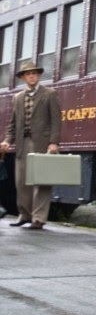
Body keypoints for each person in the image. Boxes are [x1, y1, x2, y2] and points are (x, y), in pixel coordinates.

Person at [1, 61, 61, 229]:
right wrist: (7, 140)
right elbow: (12, 124)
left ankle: (38, 219)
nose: (32, 76)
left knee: (42, 181)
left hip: (43, 143)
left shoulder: (49, 94)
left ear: (39, 75)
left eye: (35, 73)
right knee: (21, 182)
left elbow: (56, 121)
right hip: (23, 142)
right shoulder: (18, 97)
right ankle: (24, 215)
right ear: (23, 78)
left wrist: (54, 142)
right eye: (28, 74)